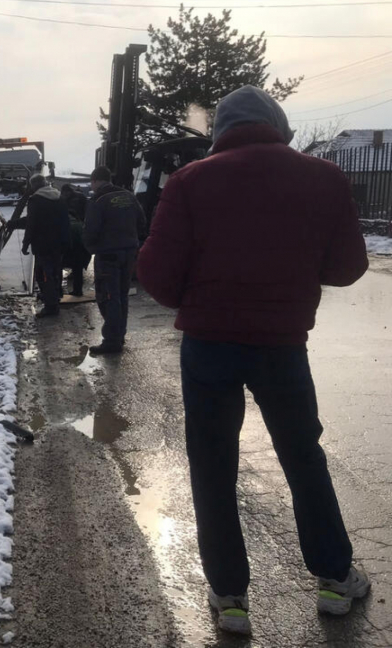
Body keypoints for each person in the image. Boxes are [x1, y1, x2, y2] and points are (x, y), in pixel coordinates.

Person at [136, 85, 370, 636]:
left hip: (209, 346)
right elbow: (347, 268)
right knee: (302, 456)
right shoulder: (324, 178)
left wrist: (200, 297)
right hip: (282, 346)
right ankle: (336, 579)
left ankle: (230, 595)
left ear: (220, 132)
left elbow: (156, 274)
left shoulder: (191, 181)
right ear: (279, 125)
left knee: (213, 465)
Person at [83, 166, 146, 354]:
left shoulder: (99, 200)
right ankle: (119, 335)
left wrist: (92, 249)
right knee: (121, 295)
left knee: (108, 297)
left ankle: (111, 340)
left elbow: (90, 231)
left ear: (95, 181)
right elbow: (142, 223)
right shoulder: (129, 196)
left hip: (108, 256)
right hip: (129, 254)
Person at [22, 174, 69, 318]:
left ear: (34, 186)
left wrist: (25, 244)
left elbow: (31, 224)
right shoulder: (59, 197)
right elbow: (65, 220)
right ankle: (54, 296)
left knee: (43, 275)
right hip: (59, 243)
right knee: (55, 271)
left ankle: (51, 306)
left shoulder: (35, 200)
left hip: (43, 245)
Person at [61, 184, 91, 296]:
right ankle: (78, 291)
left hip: (69, 246)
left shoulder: (65, 224)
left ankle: (58, 292)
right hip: (80, 247)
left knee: (59, 265)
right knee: (78, 268)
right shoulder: (79, 225)